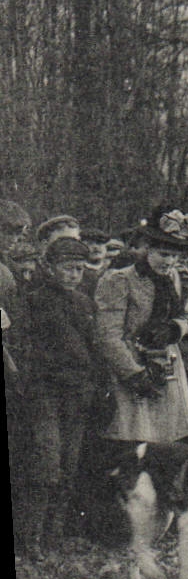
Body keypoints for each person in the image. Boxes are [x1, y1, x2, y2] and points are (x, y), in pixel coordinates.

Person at [16, 237, 103, 557]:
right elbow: (25, 347)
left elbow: (95, 348)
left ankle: (54, 536)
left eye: (79, 269)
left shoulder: (85, 303)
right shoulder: (34, 300)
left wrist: (95, 385)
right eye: (67, 269)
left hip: (77, 394)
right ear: (49, 269)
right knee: (46, 462)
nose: (73, 275)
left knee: (69, 462)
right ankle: (31, 538)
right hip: (45, 393)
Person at [95, 207, 188, 446]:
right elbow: (108, 335)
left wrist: (175, 329)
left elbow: (187, 315)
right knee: (135, 439)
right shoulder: (119, 280)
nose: (169, 261)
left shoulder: (178, 278)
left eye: (175, 256)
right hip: (131, 366)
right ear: (147, 249)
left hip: (168, 364)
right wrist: (134, 374)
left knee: (169, 439)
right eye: (163, 254)